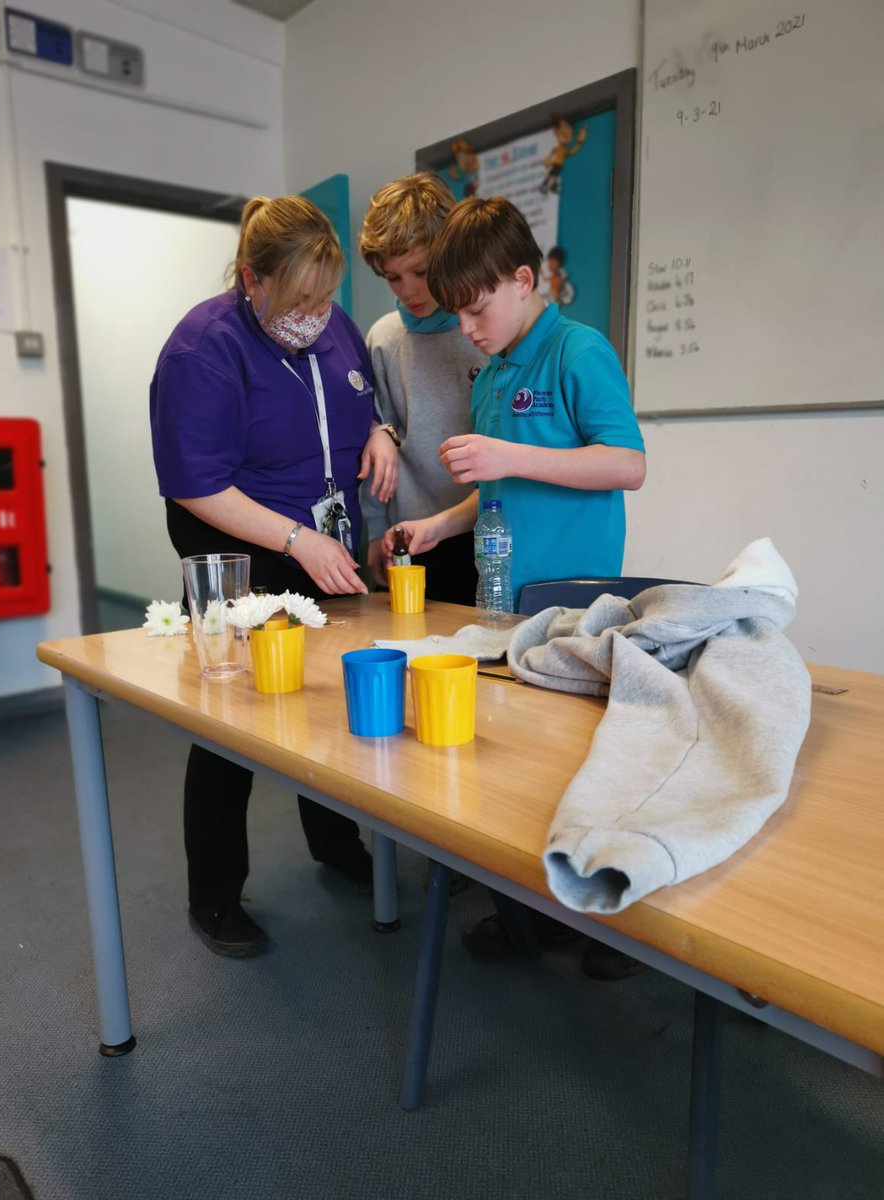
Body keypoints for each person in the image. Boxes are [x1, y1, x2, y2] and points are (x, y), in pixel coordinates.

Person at [382, 195, 647, 977]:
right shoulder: (494, 373)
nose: (467, 327)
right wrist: (438, 526)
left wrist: (509, 457)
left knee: (582, 770)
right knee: (515, 771)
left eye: (476, 308)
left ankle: (613, 926)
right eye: (457, 312)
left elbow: (627, 463)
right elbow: (499, 491)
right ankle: (537, 915)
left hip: (577, 608)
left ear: (524, 279)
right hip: (503, 603)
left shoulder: (577, 350)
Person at [150, 194, 399, 957]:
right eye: (298, 300)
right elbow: (194, 483)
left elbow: (359, 397)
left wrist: (382, 431)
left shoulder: (335, 328)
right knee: (236, 720)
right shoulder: (204, 348)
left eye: (327, 299)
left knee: (326, 697)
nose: (315, 315)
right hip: (240, 544)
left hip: (322, 540)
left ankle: (335, 844)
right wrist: (293, 541)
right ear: (252, 279)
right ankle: (215, 895)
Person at [358, 171, 487, 604]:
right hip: (409, 540)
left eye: (420, 271)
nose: (409, 289)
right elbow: (374, 444)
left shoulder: (485, 333)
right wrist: (376, 534)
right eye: (394, 278)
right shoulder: (383, 339)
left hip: (483, 532)